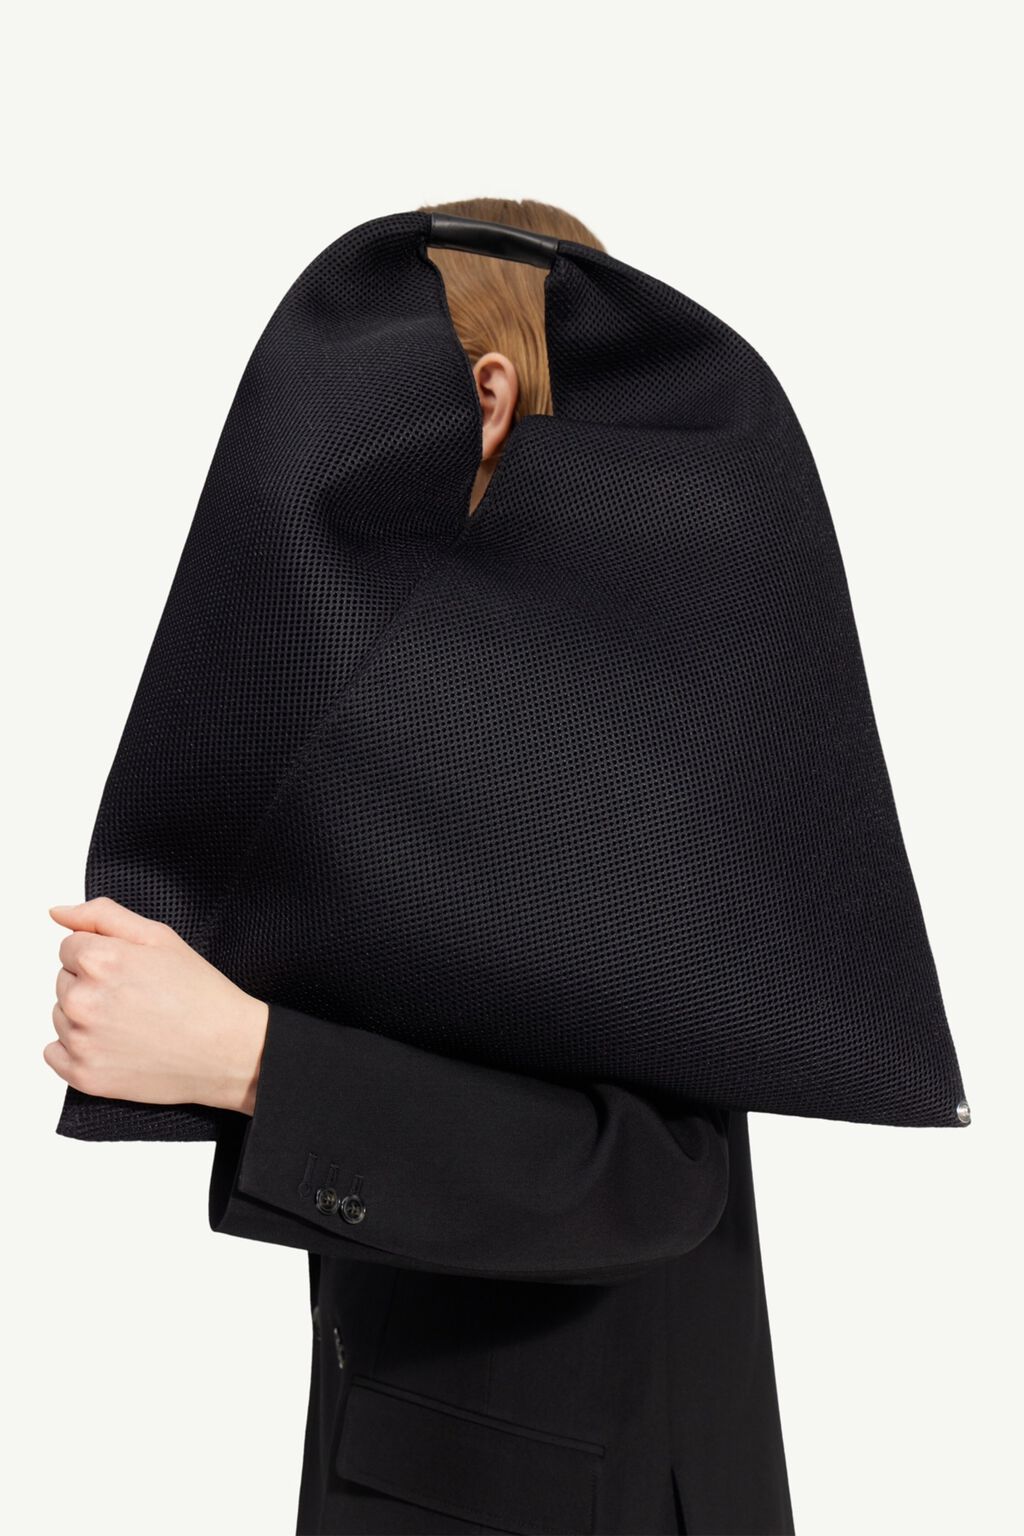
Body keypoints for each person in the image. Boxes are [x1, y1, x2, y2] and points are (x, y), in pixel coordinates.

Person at [44, 197, 795, 1536]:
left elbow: (652, 1178)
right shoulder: (443, 692)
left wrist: (248, 1059)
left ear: (487, 392)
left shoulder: (624, 705)